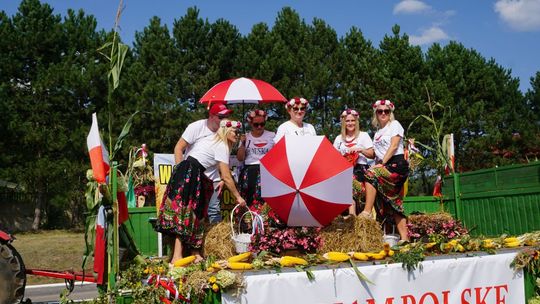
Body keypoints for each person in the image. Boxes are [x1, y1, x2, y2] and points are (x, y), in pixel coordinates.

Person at [156, 119, 246, 264]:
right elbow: (226, 176)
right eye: (235, 132)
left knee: (196, 215)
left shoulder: (211, 140)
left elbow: (215, 169)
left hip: (186, 171)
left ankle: (195, 253)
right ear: (226, 131)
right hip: (191, 173)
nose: (237, 134)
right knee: (186, 215)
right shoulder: (222, 145)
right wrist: (238, 197)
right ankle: (177, 258)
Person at [174, 103, 232, 224]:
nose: (224, 120)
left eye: (226, 117)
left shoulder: (225, 132)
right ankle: (195, 240)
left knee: (213, 211)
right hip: (194, 178)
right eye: (221, 117)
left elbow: (223, 160)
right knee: (193, 213)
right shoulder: (196, 127)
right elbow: (178, 148)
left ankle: (215, 241)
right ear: (211, 116)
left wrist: (222, 179)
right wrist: (181, 175)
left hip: (213, 179)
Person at [360, 99, 409, 241]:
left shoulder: (394, 125)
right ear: (375, 113)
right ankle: (404, 239)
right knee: (392, 202)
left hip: (396, 164)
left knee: (370, 174)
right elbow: (375, 154)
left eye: (386, 111)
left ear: (390, 113)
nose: (383, 113)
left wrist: (381, 164)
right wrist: (360, 150)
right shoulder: (377, 133)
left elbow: (393, 147)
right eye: (380, 111)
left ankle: (367, 211)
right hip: (384, 164)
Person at [333, 108, 374, 215]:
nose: (350, 123)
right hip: (344, 168)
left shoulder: (363, 135)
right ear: (343, 122)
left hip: (360, 169)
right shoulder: (338, 139)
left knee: (349, 179)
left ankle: (352, 214)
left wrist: (361, 150)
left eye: (352, 120)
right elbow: (333, 157)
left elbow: (372, 154)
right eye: (347, 121)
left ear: (356, 122)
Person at [236, 109, 275, 212]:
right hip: (250, 170)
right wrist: (243, 143)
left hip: (267, 170)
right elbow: (240, 158)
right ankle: (250, 222)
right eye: (256, 124)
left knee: (266, 200)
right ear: (250, 124)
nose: (259, 127)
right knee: (250, 199)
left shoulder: (272, 135)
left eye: (262, 124)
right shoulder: (246, 137)